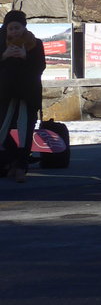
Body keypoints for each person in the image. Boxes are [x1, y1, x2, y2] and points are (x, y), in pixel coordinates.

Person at [0, 10, 47, 183]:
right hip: (5, 95)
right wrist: (4, 56)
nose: (14, 31)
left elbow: (40, 67)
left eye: (17, 28)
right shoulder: (1, 44)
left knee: (24, 131)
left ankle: (21, 166)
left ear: (24, 27)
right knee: (3, 129)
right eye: (10, 28)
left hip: (27, 94)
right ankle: (8, 162)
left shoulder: (35, 44)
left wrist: (26, 56)